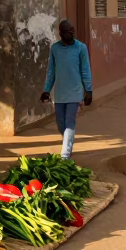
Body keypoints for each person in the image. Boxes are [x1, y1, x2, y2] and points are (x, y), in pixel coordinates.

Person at [40, 19, 93, 159]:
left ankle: (64, 156)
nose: (71, 34)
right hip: (59, 93)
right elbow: (51, 72)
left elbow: (85, 70)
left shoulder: (81, 48)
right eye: (67, 32)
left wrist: (88, 90)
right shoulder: (55, 49)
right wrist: (46, 90)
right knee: (60, 123)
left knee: (70, 122)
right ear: (61, 33)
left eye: (72, 31)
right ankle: (68, 142)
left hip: (75, 92)